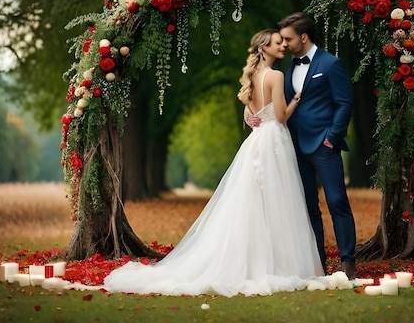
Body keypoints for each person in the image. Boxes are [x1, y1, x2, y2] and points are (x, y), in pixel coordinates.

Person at [104, 29, 337, 297]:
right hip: (274, 138)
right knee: (279, 198)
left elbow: (250, 109)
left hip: (257, 138)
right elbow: (281, 116)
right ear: (264, 48)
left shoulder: (252, 76)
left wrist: (249, 115)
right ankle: (279, 261)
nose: (283, 46)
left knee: (256, 199)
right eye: (277, 43)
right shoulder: (275, 76)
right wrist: (296, 100)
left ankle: (258, 259)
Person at [278, 12, 357, 279]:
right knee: (309, 206)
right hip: (296, 147)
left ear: (303, 36)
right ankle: (318, 265)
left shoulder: (331, 63)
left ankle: (348, 263)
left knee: (337, 202)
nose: (284, 44)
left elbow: (344, 103)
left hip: (324, 145)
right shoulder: (289, 69)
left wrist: (331, 138)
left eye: (288, 39)